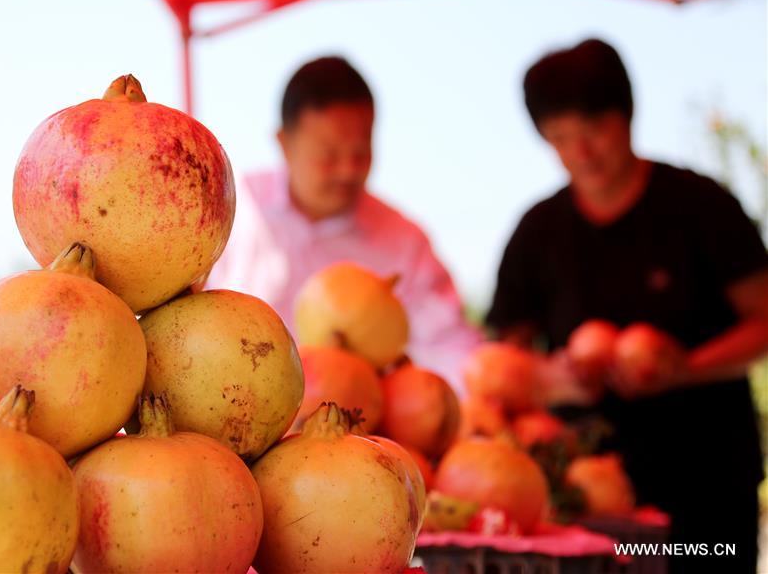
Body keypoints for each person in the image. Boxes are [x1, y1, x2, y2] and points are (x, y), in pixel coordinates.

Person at [487, 38, 768, 573]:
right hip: (586, 498)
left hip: (707, 483)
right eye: (561, 139)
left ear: (628, 116)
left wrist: (686, 368)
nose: (582, 152)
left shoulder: (700, 205)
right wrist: (558, 378)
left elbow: (764, 321)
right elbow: (503, 363)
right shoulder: (537, 232)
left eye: (595, 130)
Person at [207, 56, 482, 392]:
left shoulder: (404, 241)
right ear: (284, 143)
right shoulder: (232, 210)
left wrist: (484, 379)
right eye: (329, 156)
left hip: (366, 418)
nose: (348, 170)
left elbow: (450, 345)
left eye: (361, 153)